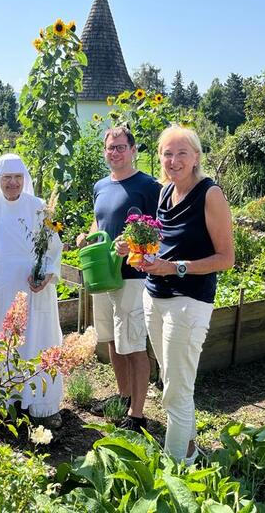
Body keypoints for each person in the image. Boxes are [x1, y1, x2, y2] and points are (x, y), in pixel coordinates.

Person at [117, 125, 234, 464]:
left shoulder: (210, 194)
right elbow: (163, 243)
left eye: (182, 152)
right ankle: (190, 451)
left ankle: (174, 473)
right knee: (171, 380)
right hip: (155, 298)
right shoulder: (166, 192)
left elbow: (226, 259)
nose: (173, 160)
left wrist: (176, 267)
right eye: (167, 153)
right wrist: (134, 248)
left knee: (176, 392)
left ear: (196, 156)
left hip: (189, 302)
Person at [76, 126, 161, 432]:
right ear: (104, 151)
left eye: (121, 147)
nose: (115, 153)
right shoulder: (100, 186)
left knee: (134, 345)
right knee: (112, 340)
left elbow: (160, 230)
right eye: (110, 148)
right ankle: (124, 397)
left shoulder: (149, 186)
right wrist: (87, 233)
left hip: (132, 276)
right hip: (103, 274)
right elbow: (100, 219)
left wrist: (135, 247)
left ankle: (137, 416)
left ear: (133, 150)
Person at [0, 154, 64, 429]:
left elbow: (53, 250)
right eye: (6, 178)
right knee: (0, 339)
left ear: (24, 179)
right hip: (0, 286)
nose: (12, 183)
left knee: (35, 339)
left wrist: (47, 275)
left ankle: (40, 403)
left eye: (17, 178)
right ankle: (0, 399)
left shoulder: (39, 208)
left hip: (33, 286)